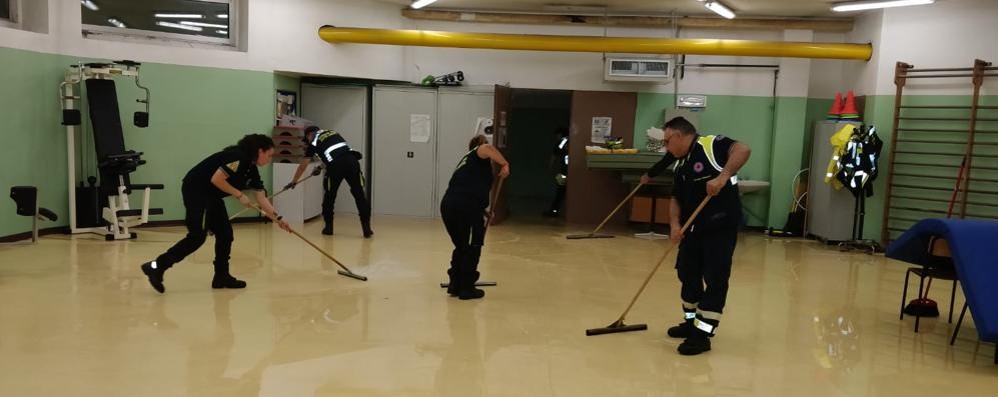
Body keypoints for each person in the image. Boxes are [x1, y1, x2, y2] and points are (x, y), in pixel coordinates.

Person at [140, 133, 291, 294]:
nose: (269, 160)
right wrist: (239, 195)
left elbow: (261, 197)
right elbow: (217, 179)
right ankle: (156, 266)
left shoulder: (251, 168)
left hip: (212, 196)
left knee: (225, 234)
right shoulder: (237, 158)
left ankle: (221, 276)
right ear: (260, 151)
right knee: (197, 237)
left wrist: (278, 219)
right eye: (269, 155)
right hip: (197, 191)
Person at [658, 117, 751, 356]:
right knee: (686, 272)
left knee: (715, 278)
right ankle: (691, 321)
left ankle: (702, 334)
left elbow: (743, 149)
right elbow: (675, 199)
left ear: (679, 136)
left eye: (667, 141)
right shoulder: (680, 165)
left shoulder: (711, 145)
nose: (666, 147)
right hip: (692, 230)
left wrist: (722, 177)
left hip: (719, 227)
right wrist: (674, 225)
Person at [440, 135, 510, 300]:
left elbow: (470, 189)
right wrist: (505, 163)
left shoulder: (470, 163)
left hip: (452, 206)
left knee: (462, 246)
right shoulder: (478, 151)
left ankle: (455, 284)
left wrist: (483, 211)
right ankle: (466, 288)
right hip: (465, 207)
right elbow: (487, 149)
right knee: (472, 246)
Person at [288, 126, 372, 238]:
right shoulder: (332, 132)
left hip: (335, 167)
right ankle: (367, 229)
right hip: (352, 161)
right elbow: (334, 154)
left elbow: (303, 166)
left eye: (306, 139)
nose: (307, 142)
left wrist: (294, 181)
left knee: (329, 196)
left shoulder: (314, 141)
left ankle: (328, 228)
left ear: (309, 135)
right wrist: (319, 168)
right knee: (359, 195)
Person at [544, 127, 569, 218]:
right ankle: (555, 210)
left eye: (557, 135)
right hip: (564, 171)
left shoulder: (562, 143)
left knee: (560, 190)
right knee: (561, 190)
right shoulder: (570, 141)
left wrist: (551, 166)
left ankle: (554, 210)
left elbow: (554, 154)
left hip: (563, 171)